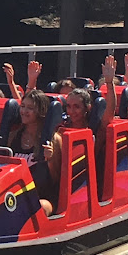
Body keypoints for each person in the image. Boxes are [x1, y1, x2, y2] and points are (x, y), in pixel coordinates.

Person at [0, 90, 56, 216]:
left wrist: (50, 160)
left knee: (41, 208)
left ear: (41, 112)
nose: (24, 111)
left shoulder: (53, 140)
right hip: (13, 195)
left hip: (40, 196)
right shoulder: (13, 136)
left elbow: (57, 178)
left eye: (30, 108)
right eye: (22, 107)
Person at [48, 55, 117, 184]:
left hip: (82, 179)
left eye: (77, 107)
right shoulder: (61, 126)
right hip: (60, 175)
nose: (72, 111)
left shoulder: (93, 129)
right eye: (68, 106)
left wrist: (109, 82)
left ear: (87, 108)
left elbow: (109, 112)